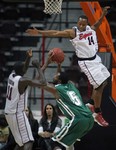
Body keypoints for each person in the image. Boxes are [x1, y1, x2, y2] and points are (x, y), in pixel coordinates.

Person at [26, 6, 111, 127]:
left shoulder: (90, 29)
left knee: (105, 82)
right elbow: (55, 33)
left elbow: (97, 24)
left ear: (86, 24)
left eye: (83, 24)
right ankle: (97, 113)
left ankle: (91, 103)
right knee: (99, 85)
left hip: (96, 59)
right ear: (77, 23)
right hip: (87, 62)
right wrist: (39, 32)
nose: (81, 26)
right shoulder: (73, 32)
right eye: (79, 24)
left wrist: (102, 15)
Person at [31, 51, 94, 150]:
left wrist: (43, 64)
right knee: (65, 144)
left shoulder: (56, 90)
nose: (54, 76)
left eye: (55, 76)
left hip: (78, 119)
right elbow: (61, 76)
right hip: (89, 119)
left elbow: (41, 82)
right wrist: (59, 65)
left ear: (59, 81)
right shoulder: (71, 85)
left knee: (54, 143)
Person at [4, 49, 46, 150]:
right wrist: (38, 67)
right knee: (28, 141)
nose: (26, 68)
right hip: (17, 113)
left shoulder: (11, 75)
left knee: (21, 143)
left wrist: (28, 57)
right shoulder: (23, 80)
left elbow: (23, 69)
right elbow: (43, 83)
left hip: (8, 113)